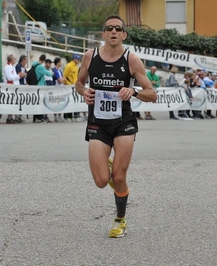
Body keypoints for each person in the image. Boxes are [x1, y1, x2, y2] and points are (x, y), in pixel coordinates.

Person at [75, 14, 157, 238]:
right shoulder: (89, 56)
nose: (113, 32)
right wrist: (84, 93)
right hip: (98, 123)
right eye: (109, 28)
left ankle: (120, 220)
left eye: (118, 29)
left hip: (123, 123)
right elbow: (79, 83)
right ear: (103, 34)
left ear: (124, 34)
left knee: (119, 178)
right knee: (102, 181)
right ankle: (110, 162)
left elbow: (153, 94)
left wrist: (134, 91)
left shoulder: (132, 60)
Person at [3, 54, 26, 124]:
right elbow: (9, 77)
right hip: (10, 86)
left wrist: (19, 75)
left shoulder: (12, 67)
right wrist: (19, 76)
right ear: (11, 60)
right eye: (14, 59)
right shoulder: (7, 67)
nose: (15, 60)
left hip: (14, 86)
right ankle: (9, 118)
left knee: (14, 102)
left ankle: (13, 117)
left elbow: (14, 76)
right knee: (11, 102)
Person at [31, 54, 53, 123]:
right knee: (40, 102)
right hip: (40, 85)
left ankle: (36, 117)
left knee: (37, 102)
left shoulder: (34, 64)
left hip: (36, 84)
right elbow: (48, 73)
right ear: (44, 60)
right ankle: (39, 117)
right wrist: (52, 73)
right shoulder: (40, 67)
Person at [63, 54, 81, 121]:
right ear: (74, 59)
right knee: (68, 102)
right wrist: (68, 84)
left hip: (74, 87)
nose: (78, 61)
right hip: (69, 87)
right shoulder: (69, 66)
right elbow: (64, 76)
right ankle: (67, 116)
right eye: (77, 59)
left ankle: (73, 115)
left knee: (73, 101)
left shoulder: (75, 67)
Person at [15, 55, 28, 123]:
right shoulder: (18, 66)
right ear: (23, 60)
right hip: (19, 84)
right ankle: (17, 116)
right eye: (26, 60)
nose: (27, 61)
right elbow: (19, 75)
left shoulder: (23, 67)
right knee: (18, 100)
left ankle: (20, 115)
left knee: (22, 100)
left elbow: (24, 74)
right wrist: (24, 74)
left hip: (24, 84)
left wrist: (24, 74)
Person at [52, 57, 66, 122]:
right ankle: (55, 116)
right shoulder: (54, 70)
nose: (61, 63)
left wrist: (62, 80)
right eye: (60, 62)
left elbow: (63, 79)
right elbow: (60, 80)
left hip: (61, 88)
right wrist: (62, 80)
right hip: (56, 88)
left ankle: (60, 116)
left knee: (60, 102)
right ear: (57, 62)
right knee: (56, 102)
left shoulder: (60, 70)